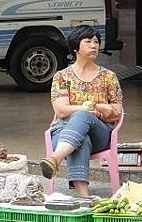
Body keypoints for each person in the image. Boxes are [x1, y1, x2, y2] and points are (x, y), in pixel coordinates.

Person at [40, 25, 123, 196]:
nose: (94, 46)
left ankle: (55, 159)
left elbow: (116, 112)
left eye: (96, 42)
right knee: (81, 138)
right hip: (63, 132)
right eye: (88, 42)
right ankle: (85, 198)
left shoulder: (109, 76)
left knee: (83, 115)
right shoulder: (62, 77)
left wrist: (90, 110)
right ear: (76, 47)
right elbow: (61, 111)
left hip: (99, 133)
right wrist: (97, 107)